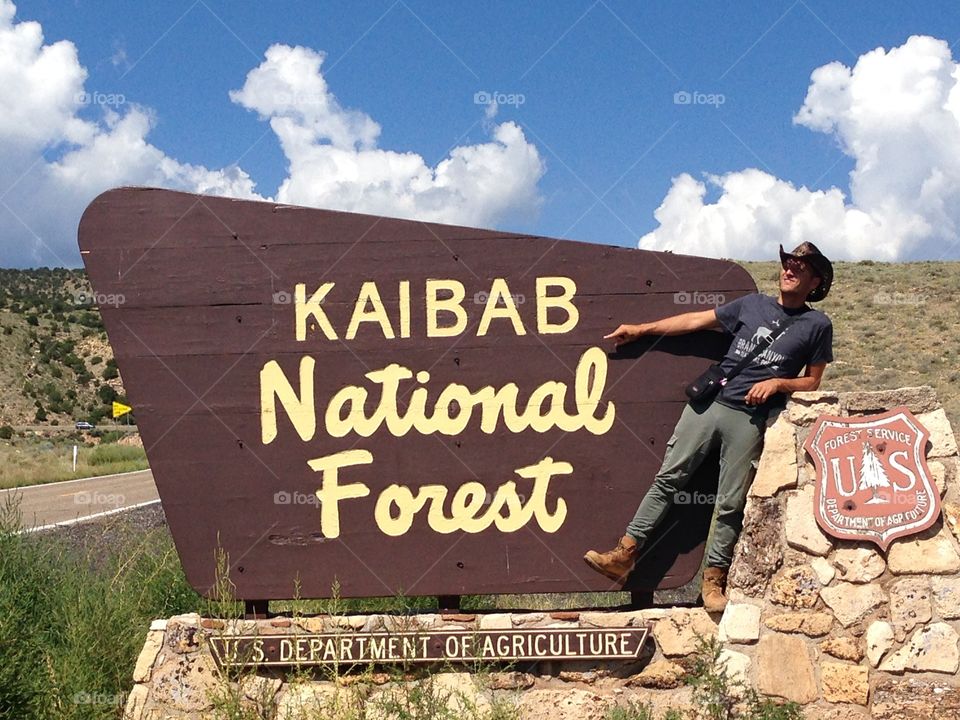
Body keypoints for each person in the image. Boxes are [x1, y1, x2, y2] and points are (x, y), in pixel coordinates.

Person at [583, 242, 834, 612]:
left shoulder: (817, 324)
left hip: (749, 418)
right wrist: (642, 329)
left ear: (815, 281)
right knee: (669, 477)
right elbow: (695, 320)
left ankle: (713, 582)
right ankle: (625, 552)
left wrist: (779, 383)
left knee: (731, 501)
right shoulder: (752, 305)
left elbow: (812, 382)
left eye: (800, 267)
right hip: (709, 404)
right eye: (788, 263)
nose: (790, 270)